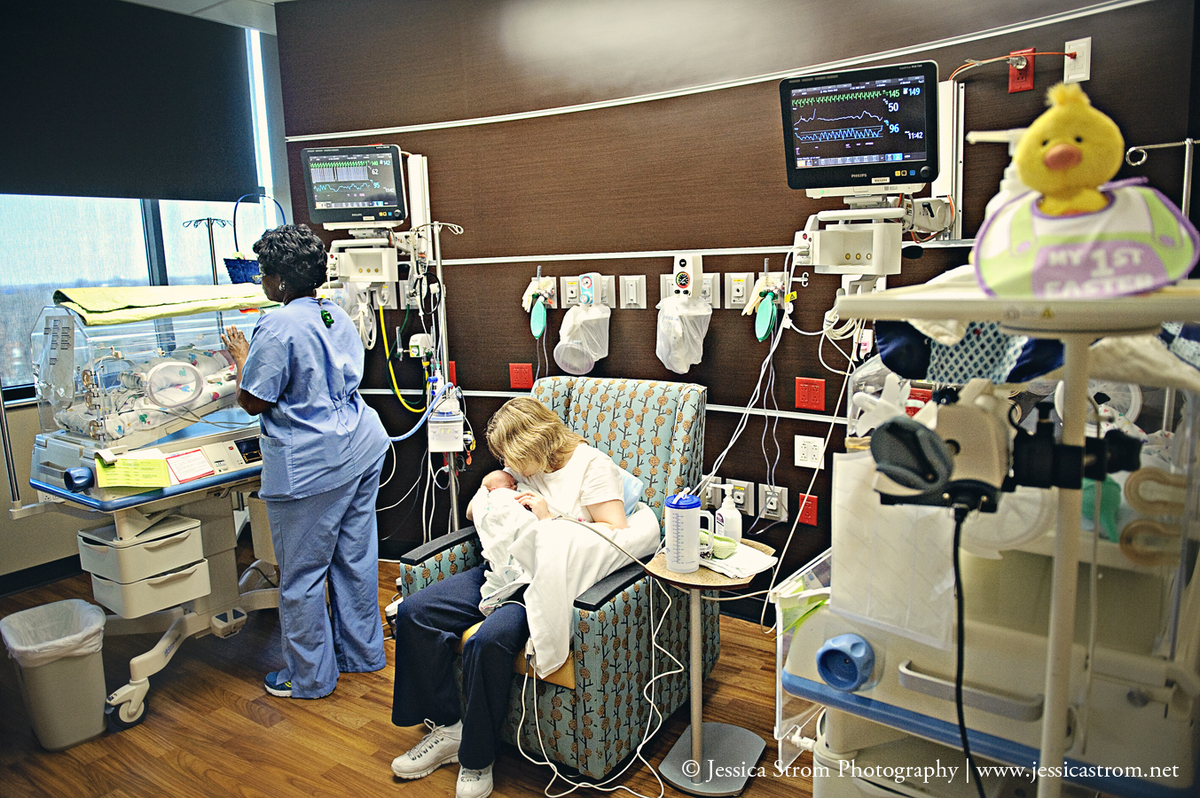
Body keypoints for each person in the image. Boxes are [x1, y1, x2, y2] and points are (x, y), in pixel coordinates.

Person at [390, 397, 628, 798]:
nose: (508, 463)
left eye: (511, 455)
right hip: (503, 568)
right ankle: (448, 727)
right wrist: (491, 490)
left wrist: (551, 518)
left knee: (488, 640)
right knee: (415, 612)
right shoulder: (522, 464)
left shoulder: (593, 468)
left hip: (545, 579)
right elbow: (473, 512)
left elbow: (617, 534)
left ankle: (477, 758)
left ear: (537, 441)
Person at [221, 224, 389, 700]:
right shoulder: (333, 311)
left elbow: (254, 400)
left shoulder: (276, 325)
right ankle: (362, 655)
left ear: (279, 281)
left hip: (313, 463)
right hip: (361, 446)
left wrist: (241, 358)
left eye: (263, 274)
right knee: (355, 560)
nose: (261, 282)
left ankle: (309, 678)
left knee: (302, 575)